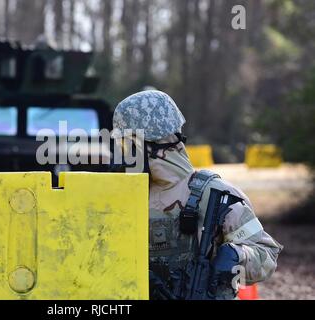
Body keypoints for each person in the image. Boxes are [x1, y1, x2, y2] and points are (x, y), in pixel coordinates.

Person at [112, 90, 283, 300]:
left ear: (148, 144)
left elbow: (267, 256)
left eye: (126, 144)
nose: (123, 152)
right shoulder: (121, 195)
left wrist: (237, 256)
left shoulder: (216, 195)